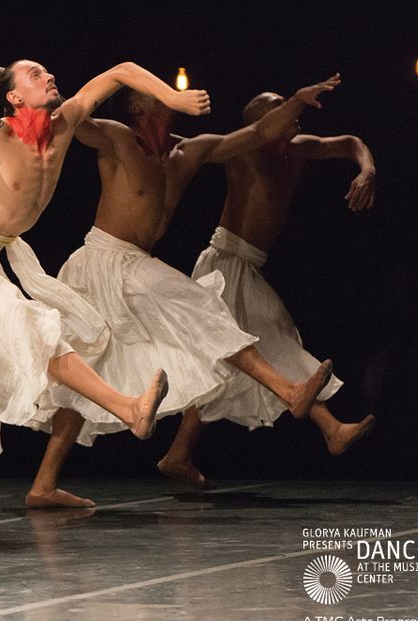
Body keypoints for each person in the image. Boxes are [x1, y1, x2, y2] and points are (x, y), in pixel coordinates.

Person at [0, 58, 212, 533]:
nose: (51, 76)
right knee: (35, 330)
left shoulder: (65, 124)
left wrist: (174, 98)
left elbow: (118, 72)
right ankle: (127, 407)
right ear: (15, 97)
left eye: (48, 72)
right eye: (35, 75)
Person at [159, 91, 377, 486]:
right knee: (272, 337)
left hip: (248, 267)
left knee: (228, 358)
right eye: (278, 107)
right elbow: (201, 149)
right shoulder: (247, 150)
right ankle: (331, 429)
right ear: (262, 119)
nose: (291, 116)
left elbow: (349, 143)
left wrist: (367, 170)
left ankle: (178, 454)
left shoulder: (297, 150)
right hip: (224, 264)